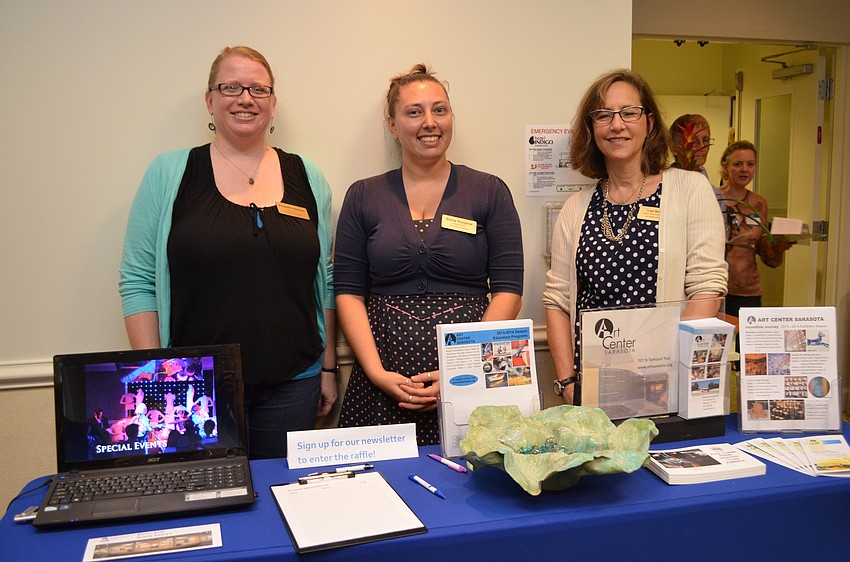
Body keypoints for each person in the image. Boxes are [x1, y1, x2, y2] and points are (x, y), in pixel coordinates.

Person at [119, 46, 337, 459]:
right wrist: (154, 377)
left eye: (258, 89)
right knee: (206, 504)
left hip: (294, 384)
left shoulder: (308, 175)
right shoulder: (170, 172)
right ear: (210, 100)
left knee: (282, 504)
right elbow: (137, 280)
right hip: (190, 387)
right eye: (231, 87)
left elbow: (323, 280)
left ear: (273, 104)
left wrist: (328, 368)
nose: (245, 98)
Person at [334, 64, 524, 445]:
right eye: (414, 112)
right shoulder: (363, 196)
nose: (430, 122)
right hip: (382, 379)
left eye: (440, 109)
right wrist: (375, 373)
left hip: (472, 376)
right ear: (392, 124)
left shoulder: (488, 191)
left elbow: (508, 290)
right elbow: (348, 291)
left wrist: (459, 370)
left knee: (473, 488)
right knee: (379, 490)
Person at [543, 69, 727, 405]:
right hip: (594, 389)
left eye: (629, 113)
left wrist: (666, 371)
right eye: (603, 115)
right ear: (592, 128)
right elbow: (557, 301)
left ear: (650, 123)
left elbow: (707, 287)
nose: (617, 125)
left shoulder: (689, 190)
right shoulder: (575, 207)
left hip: (664, 387)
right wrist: (568, 383)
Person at [718, 140, 794, 318]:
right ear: (726, 166)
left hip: (748, 292)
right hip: (717, 289)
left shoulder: (759, 204)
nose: (745, 169)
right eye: (738, 164)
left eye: (750, 164)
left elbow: (769, 258)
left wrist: (780, 245)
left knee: (746, 346)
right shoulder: (713, 197)